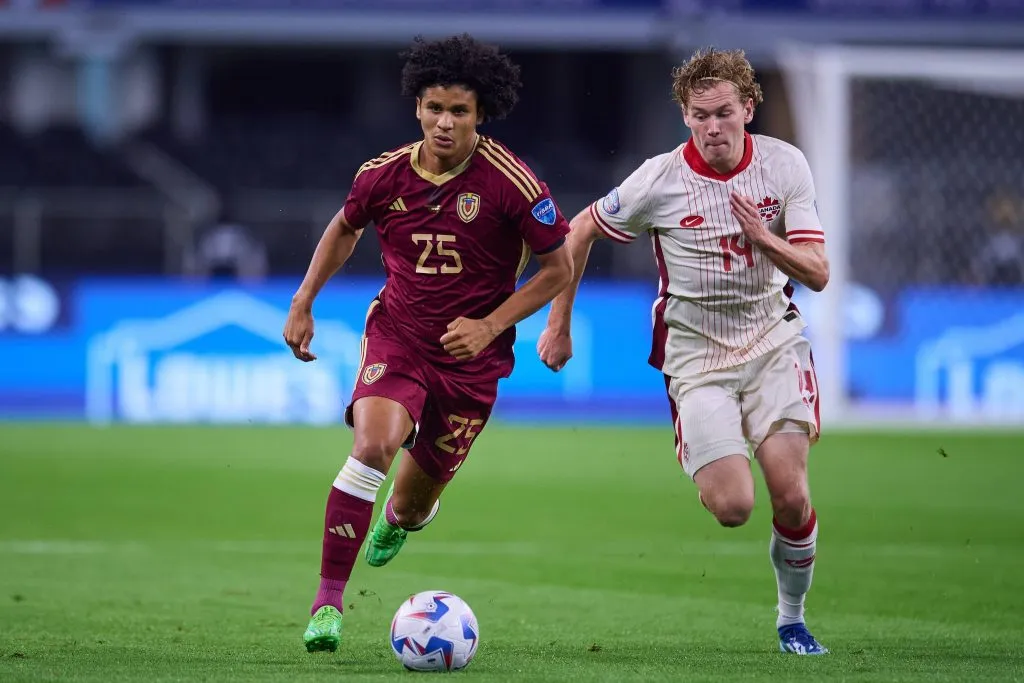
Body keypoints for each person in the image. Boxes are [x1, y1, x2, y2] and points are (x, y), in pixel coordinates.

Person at [283, 34, 573, 653]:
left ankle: (401, 517)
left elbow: (557, 269)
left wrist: (491, 325)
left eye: (460, 111)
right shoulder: (381, 176)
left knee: (412, 506)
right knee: (373, 445)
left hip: (473, 362)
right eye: (435, 107)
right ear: (417, 105)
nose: (445, 122)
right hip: (400, 337)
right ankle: (328, 601)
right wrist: (304, 299)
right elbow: (344, 227)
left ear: (480, 114)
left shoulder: (513, 185)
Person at [537, 47, 830, 655]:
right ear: (685, 116)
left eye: (724, 112)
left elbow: (819, 273)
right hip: (696, 361)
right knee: (733, 507)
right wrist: (559, 322)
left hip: (773, 341)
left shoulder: (784, 166)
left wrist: (762, 239)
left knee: (791, 492)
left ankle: (792, 618)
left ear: (748, 108)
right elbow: (579, 230)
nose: (713, 127)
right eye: (700, 115)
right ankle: (710, 451)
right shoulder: (659, 179)